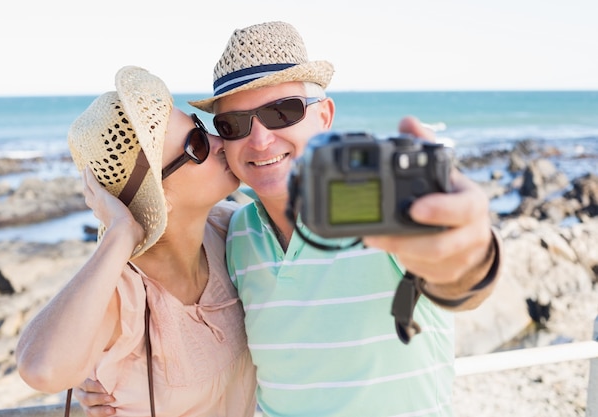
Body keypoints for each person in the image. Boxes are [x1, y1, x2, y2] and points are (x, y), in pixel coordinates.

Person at [77, 22, 502, 417]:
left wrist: (471, 256)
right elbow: (185, 313)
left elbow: (457, 275)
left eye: (283, 111)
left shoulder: (380, 207)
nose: (259, 139)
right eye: (234, 124)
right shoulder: (233, 234)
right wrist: (119, 374)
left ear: (325, 116)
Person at [15, 66, 257, 417]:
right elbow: (41, 369)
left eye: (202, 129)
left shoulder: (228, 230)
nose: (221, 143)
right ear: (160, 196)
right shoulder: (122, 294)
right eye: (198, 144)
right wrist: (119, 234)